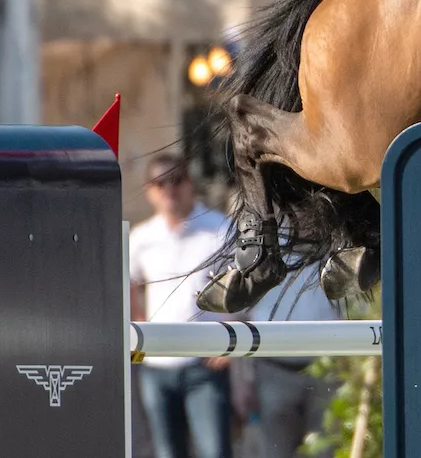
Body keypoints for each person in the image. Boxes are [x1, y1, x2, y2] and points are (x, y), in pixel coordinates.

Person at [129, 153, 234, 458]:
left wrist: (229, 334)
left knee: (215, 450)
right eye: (160, 183)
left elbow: (242, 283)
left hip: (205, 363)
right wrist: (140, 325)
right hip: (156, 365)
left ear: (190, 183)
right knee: (166, 453)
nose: (169, 190)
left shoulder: (220, 229)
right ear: (149, 190)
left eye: (176, 180)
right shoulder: (141, 237)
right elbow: (129, 282)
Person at [247, 264, 343, 458]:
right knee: (276, 451)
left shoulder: (338, 242)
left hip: (326, 365)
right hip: (274, 365)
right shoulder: (267, 240)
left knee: (326, 450)